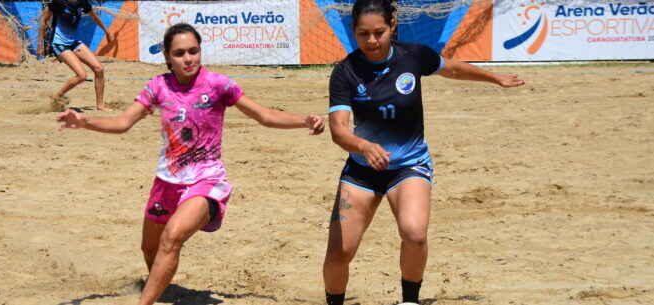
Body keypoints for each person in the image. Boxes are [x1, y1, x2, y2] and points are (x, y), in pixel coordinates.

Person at [57, 23, 325, 305]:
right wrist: (85, 121)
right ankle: (160, 288)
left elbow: (264, 116)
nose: (188, 58)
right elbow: (123, 122)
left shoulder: (219, 85)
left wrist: (303, 120)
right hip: (166, 183)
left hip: (206, 182)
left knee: (172, 238)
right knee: (150, 249)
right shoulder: (158, 86)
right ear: (168, 58)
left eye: (193, 51)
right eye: (180, 53)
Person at [322, 1, 525, 305]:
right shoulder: (345, 72)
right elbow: (339, 130)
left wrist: (495, 78)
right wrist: (363, 145)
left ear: (392, 25)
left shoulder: (413, 56)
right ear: (354, 32)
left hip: (409, 166)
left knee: (414, 233)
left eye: (379, 32)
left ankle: (409, 301)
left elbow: (452, 68)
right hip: (362, 171)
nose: (372, 41)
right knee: (340, 253)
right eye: (364, 34)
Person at [37, 0, 112, 111]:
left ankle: (100, 105)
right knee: (82, 76)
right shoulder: (58, 3)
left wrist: (107, 32)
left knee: (99, 69)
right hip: (59, 43)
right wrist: (40, 45)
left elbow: (95, 17)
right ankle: (57, 96)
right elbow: (43, 21)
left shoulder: (83, 3)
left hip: (73, 42)